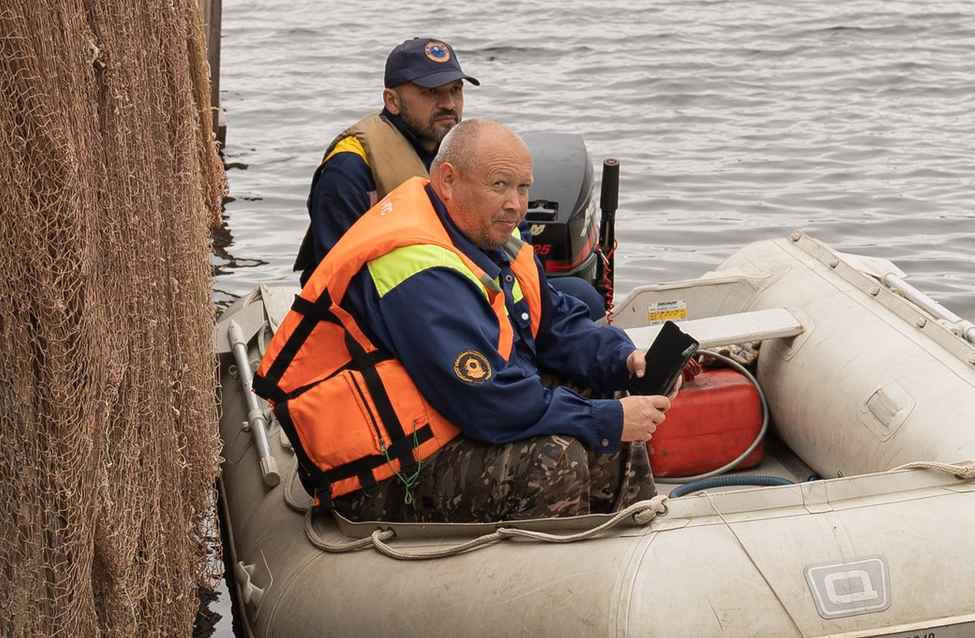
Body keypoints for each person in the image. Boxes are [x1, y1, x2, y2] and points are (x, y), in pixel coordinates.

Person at [257, 117, 673, 522]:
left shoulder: (489, 236)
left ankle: (624, 545)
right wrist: (602, 419)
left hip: (445, 416)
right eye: (499, 185)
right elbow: (485, 403)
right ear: (448, 181)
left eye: (523, 187)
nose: (516, 204)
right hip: (387, 465)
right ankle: (542, 584)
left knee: (609, 406)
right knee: (558, 455)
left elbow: (554, 322)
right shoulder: (414, 268)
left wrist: (621, 357)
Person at [296, 35, 470, 273]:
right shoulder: (348, 169)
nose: (449, 104)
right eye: (431, 92)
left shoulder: (464, 156)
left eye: (455, 90)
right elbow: (336, 278)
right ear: (392, 101)